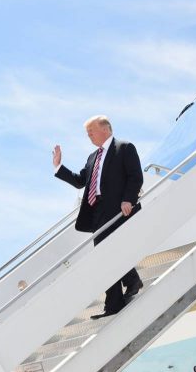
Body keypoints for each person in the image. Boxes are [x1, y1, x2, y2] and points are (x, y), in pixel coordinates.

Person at [53, 115, 144, 319]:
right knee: (107, 255)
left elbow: (135, 176)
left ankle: (116, 300)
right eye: (87, 133)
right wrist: (59, 167)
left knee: (108, 254)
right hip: (98, 212)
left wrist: (128, 200)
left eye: (91, 131)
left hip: (118, 209)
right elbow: (80, 181)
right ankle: (129, 284)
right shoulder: (92, 157)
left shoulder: (125, 147)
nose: (89, 136)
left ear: (105, 129)